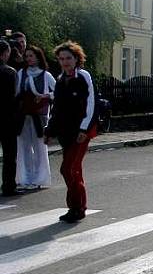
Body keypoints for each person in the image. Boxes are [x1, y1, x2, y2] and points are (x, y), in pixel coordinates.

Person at [44, 42, 98, 223]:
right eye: (61, 59)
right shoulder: (60, 80)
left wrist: (85, 128)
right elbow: (56, 108)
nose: (65, 62)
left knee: (67, 169)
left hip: (81, 132)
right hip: (65, 132)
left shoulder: (83, 76)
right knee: (74, 170)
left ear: (76, 59)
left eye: (68, 58)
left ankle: (78, 207)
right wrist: (49, 130)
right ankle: (75, 207)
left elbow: (91, 103)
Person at [15, 46, 54, 190]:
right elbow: (17, 93)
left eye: (31, 56)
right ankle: (25, 178)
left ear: (38, 57)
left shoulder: (45, 75)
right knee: (24, 147)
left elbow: (57, 92)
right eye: (27, 56)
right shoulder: (21, 73)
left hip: (40, 115)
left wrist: (44, 96)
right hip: (24, 114)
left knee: (39, 147)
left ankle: (39, 178)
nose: (29, 59)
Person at [0, 40, 21, 196]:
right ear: (5, 54)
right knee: (9, 155)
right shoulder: (9, 72)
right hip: (6, 118)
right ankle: (8, 185)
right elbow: (14, 97)